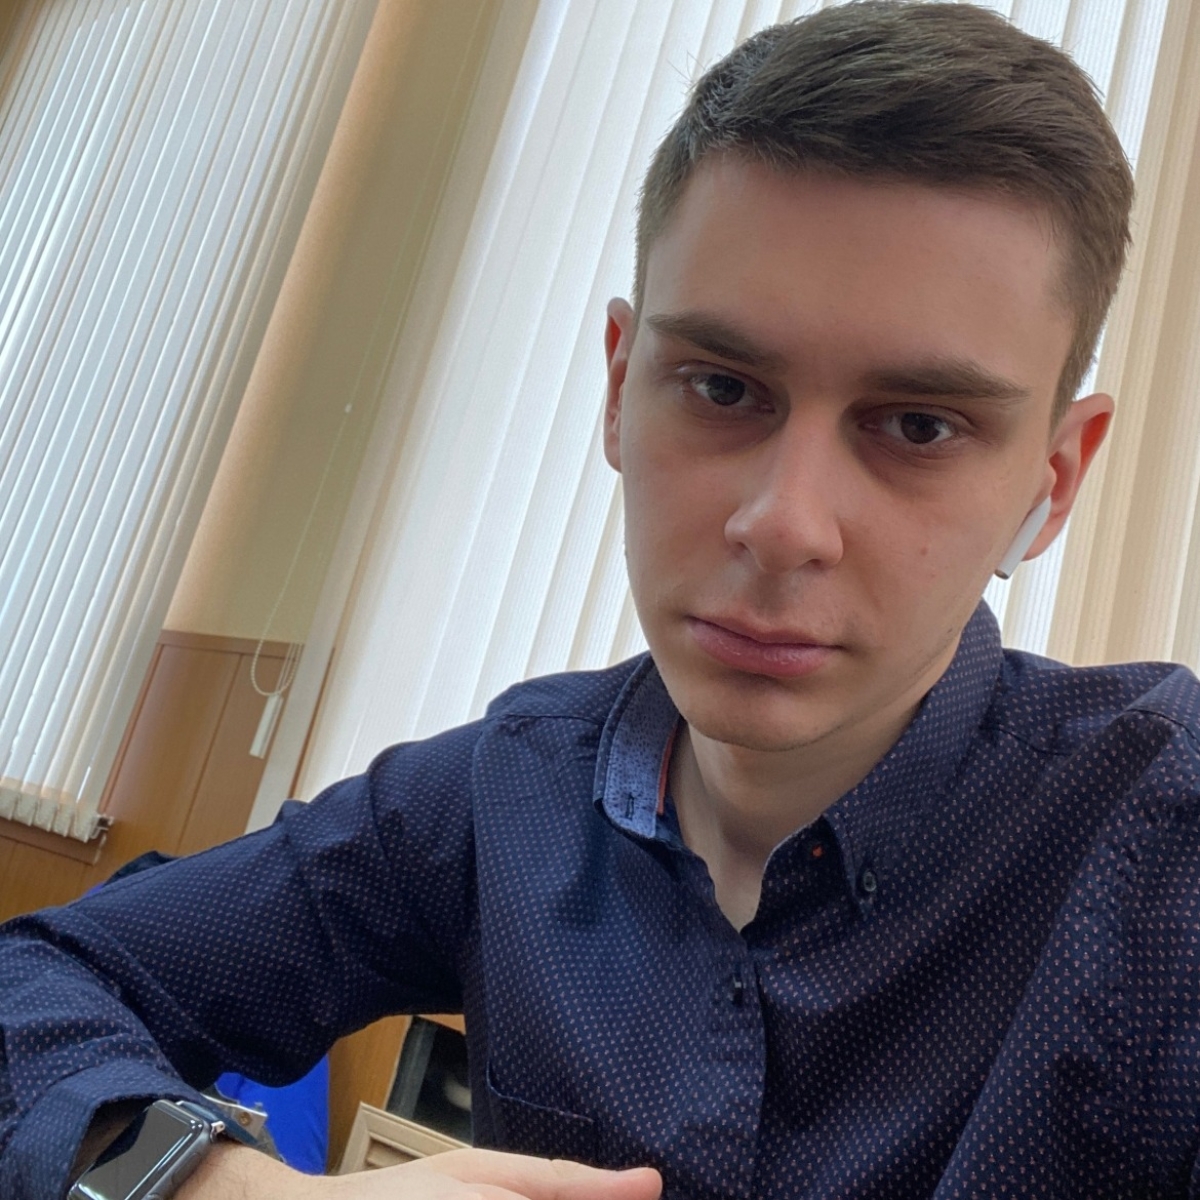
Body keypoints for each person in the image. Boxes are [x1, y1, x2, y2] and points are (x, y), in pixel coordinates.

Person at [3, 2, 1195, 1197]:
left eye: (921, 426)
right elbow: (40, 980)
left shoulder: (1160, 842)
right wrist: (200, 1182)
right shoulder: (505, 791)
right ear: (621, 387)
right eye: (722, 388)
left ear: (1053, 479)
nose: (784, 524)